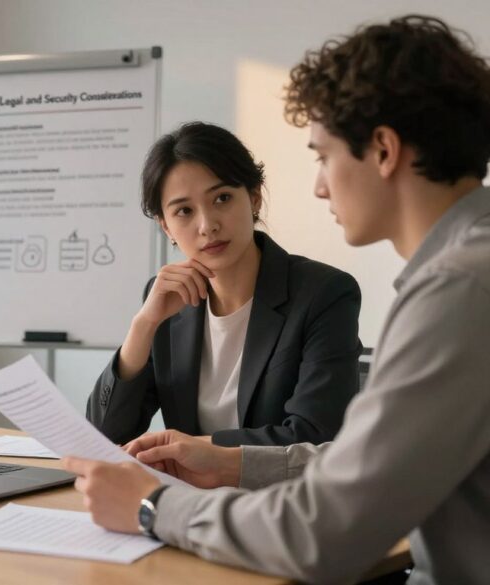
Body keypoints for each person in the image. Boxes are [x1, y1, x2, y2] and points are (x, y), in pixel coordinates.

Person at [65, 14, 490, 584]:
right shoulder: (465, 271)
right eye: (183, 211)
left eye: (322, 155)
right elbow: (364, 466)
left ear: (384, 150)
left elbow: (326, 530)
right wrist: (227, 459)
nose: (319, 185)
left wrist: (153, 507)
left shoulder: (458, 289)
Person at [87, 122, 361, 447]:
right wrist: (143, 325)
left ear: (255, 197)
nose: (208, 226)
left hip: (275, 496)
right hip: (188, 496)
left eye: (222, 198)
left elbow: (315, 437)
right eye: (184, 211)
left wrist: (189, 450)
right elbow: (103, 435)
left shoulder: (323, 294)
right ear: (166, 227)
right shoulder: (166, 299)